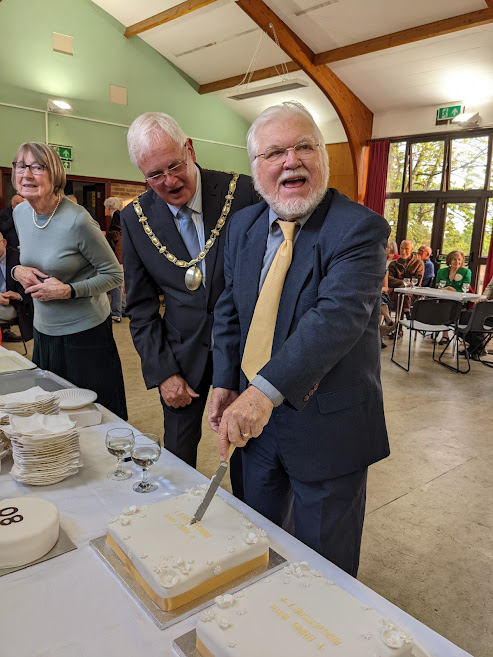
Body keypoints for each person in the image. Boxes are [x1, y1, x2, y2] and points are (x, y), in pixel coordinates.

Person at [208, 101, 390, 577]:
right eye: (275, 153)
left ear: (323, 159)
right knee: (257, 547)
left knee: (324, 572)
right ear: (256, 169)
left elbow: (335, 319)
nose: (291, 161)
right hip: (254, 424)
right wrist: (224, 382)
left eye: (304, 147)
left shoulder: (358, 228)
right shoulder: (243, 226)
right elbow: (230, 309)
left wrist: (260, 393)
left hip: (328, 429)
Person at [121, 112, 257, 497]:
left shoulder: (242, 193)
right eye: (154, 175)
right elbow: (141, 308)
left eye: (175, 166)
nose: (170, 181)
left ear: (190, 149)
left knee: (251, 454)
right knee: (178, 459)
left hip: (246, 352)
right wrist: (163, 372)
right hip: (181, 357)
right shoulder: (135, 218)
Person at [11, 142, 127, 419]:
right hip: (43, 331)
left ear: (55, 174)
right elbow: (28, 258)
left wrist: (69, 290)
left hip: (85, 334)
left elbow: (114, 275)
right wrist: (17, 271)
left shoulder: (78, 221)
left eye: (37, 167)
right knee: (51, 412)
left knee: (94, 415)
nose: (26, 174)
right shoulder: (20, 213)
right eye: (21, 166)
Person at [0, 230, 33, 343]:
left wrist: (18, 295)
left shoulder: (20, 258)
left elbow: (34, 285)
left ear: (4, 243)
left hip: (14, 305)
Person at [435, 250, 472, 345]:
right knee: (442, 305)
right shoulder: (441, 271)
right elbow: (437, 286)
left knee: (448, 306)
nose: (457, 262)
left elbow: (465, 288)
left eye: (459, 259)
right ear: (449, 260)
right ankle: (445, 335)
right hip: (444, 299)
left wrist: (453, 290)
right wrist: (446, 289)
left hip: (459, 300)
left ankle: (454, 334)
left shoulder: (466, 272)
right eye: (454, 259)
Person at [388, 240, 424, 320]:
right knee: (401, 294)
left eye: (406, 249)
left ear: (412, 250)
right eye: (402, 248)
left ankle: (398, 323)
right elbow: (389, 279)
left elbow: (417, 280)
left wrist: (404, 284)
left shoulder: (418, 263)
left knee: (404, 294)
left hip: (413, 293)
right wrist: (403, 283)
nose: (403, 251)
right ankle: (407, 312)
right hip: (395, 292)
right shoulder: (394, 263)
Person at [103, 197, 124, 323]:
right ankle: (123, 308)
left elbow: (117, 234)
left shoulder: (116, 214)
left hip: (117, 254)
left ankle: (116, 312)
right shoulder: (119, 215)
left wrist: (105, 233)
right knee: (118, 280)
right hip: (119, 253)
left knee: (116, 281)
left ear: (109, 207)